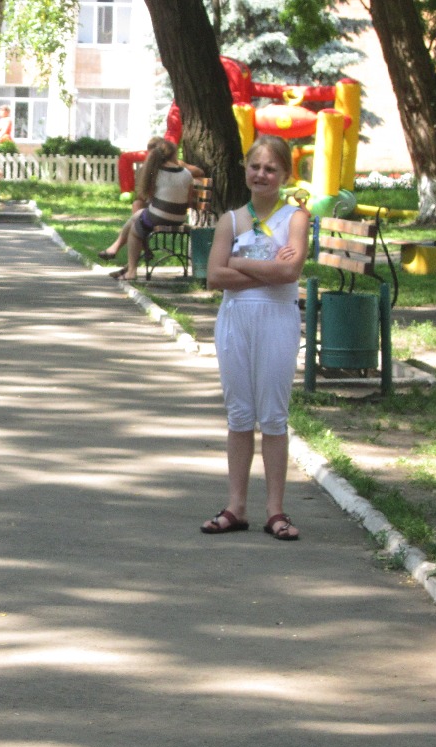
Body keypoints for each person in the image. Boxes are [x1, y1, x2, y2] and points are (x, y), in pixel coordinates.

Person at [200, 134, 309, 541]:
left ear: (285, 175)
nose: (261, 174)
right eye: (255, 167)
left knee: (274, 416)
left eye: (270, 169)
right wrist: (266, 268)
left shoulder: (295, 218)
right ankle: (236, 507)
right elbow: (214, 276)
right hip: (235, 321)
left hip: (277, 320)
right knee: (240, 414)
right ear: (245, 170)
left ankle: (275, 511)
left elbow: (290, 273)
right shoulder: (230, 220)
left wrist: (238, 261)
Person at [106, 137, 204, 281]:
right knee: (138, 215)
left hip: (158, 216)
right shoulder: (186, 173)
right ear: (174, 155)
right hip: (179, 218)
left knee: (135, 231)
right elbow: (189, 202)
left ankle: (131, 271)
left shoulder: (154, 172)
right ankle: (117, 249)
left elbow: (147, 196)